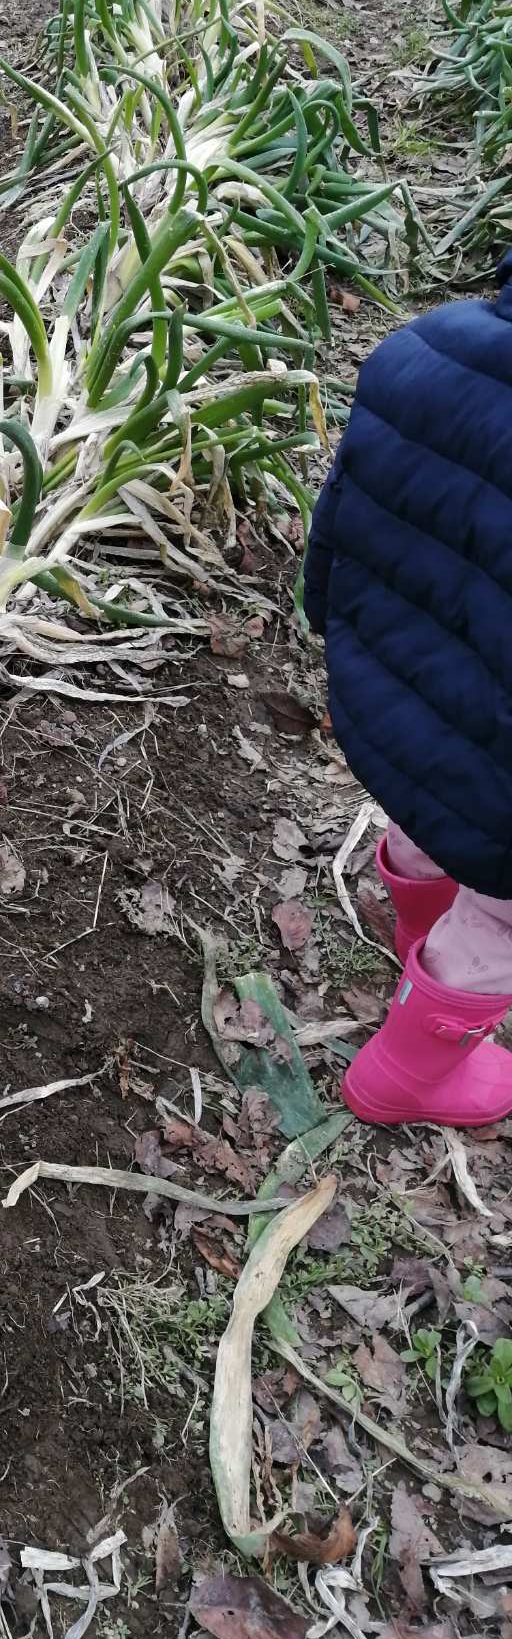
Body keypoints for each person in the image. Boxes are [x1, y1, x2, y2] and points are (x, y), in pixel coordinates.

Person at [303, 254, 512, 1127]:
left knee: (434, 815)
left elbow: (334, 541)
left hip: (393, 702)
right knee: (501, 915)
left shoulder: (421, 347)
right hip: (500, 771)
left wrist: (345, 641)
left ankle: (414, 932)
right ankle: (406, 1076)